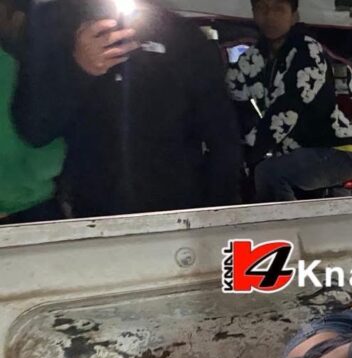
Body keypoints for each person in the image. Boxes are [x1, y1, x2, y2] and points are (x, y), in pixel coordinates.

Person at [12, 0, 242, 218]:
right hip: (89, 215)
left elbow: (222, 135)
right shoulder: (55, 25)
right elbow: (33, 130)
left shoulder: (180, 34)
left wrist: (217, 216)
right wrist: (78, 68)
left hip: (179, 213)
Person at [226, 0, 352, 202]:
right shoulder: (255, 56)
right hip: (299, 154)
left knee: (269, 173)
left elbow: (286, 112)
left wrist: (249, 154)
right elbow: (230, 90)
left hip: (337, 151)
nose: (270, 16)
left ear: (294, 16)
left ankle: (286, 222)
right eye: (262, 8)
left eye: (278, 9)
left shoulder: (308, 51)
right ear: (253, 13)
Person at [0, 0, 65, 224]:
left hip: (31, 205)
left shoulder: (21, 68)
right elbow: (51, 155)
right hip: (33, 204)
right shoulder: (27, 68)